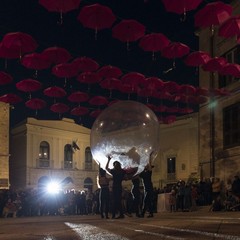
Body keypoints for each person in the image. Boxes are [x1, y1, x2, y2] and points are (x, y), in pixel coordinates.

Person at [139, 152, 154, 218]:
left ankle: (142, 213)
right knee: (148, 201)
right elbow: (139, 172)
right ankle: (151, 213)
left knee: (145, 201)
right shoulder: (143, 173)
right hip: (146, 189)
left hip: (149, 188)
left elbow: (150, 165)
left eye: (146, 166)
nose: (146, 166)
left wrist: (149, 157)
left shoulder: (149, 172)